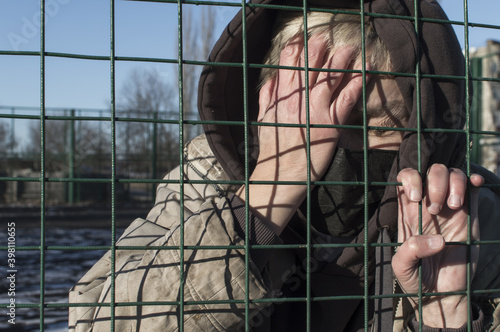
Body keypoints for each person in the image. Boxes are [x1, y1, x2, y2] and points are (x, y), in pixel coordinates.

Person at [69, 0, 500, 331]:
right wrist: (267, 191)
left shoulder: (468, 216)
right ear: (267, 105)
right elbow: (94, 319)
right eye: (310, 119)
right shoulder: (207, 179)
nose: (327, 146)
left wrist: (445, 317)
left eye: (378, 127)